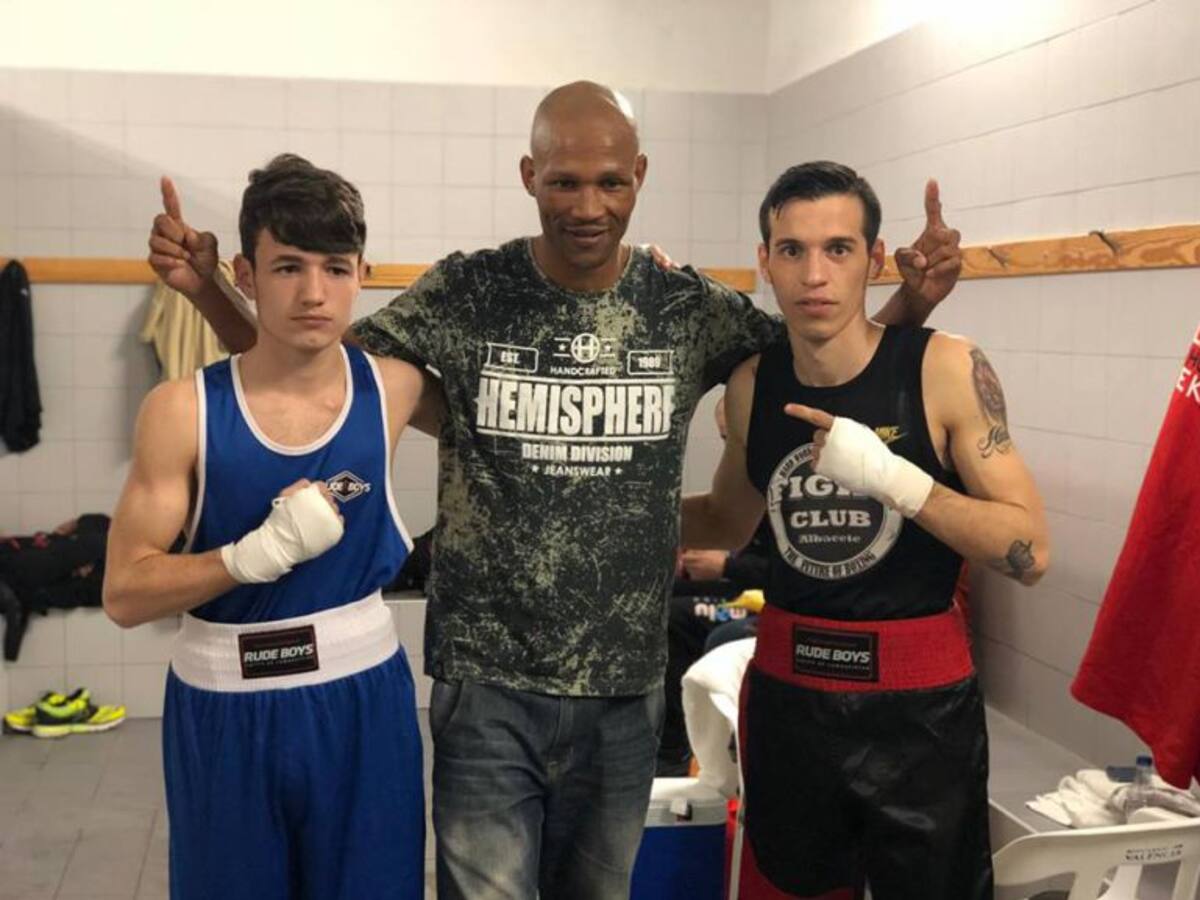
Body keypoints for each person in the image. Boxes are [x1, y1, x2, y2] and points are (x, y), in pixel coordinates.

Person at [150, 82, 963, 899]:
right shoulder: (469, 293)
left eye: (610, 182)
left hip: (625, 688)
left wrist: (911, 304)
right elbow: (311, 375)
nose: (588, 205)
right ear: (528, 175)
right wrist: (210, 289)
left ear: (639, 176)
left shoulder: (687, 308)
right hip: (487, 683)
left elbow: (823, 371)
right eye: (565, 181)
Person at [682, 161, 1049, 899]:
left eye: (839, 249)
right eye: (793, 250)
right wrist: (595, 502)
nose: (814, 274)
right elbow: (727, 516)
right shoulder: (753, 384)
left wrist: (897, 480)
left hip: (920, 714)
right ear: (765, 261)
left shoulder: (944, 367)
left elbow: (1030, 550)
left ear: (874, 259)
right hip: (788, 698)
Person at [106, 155, 435, 899]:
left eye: (335, 268)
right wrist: (258, 554)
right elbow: (124, 593)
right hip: (224, 711)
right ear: (246, 276)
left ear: (362, 275)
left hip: (362, 705)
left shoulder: (395, 389)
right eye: (288, 267)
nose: (314, 293)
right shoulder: (181, 411)